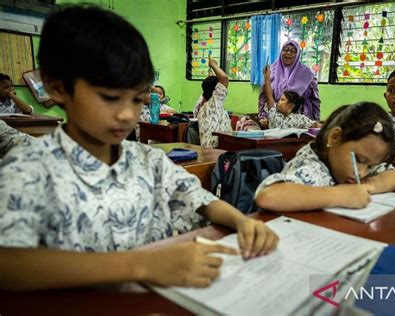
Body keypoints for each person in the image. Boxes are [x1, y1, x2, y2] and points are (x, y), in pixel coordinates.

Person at [0, 5, 278, 291]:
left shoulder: (147, 160)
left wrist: (242, 222)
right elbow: (8, 264)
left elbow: (200, 198)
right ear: (57, 87)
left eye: (137, 100)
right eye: (110, 98)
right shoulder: (29, 168)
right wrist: (141, 264)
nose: (126, 115)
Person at [255, 102, 395, 212]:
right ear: (335, 137)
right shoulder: (311, 167)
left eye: (370, 166)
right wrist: (341, 195)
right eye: (359, 160)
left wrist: (366, 186)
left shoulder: (359, 162)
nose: (362, 172)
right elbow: (267, 196)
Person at [258, 40, 321, 129]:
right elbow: (265, 97)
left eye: (292, 51)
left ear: (297, 54)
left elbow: (315, 100)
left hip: (302, 123)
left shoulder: (307, 74)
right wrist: (263, 117)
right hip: (275, 120)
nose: (288, 53)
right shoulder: (271, 71)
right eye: (285, 50)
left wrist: (316, 120)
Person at [263, 65, 320, 129]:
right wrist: (267, 77)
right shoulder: (274, 114)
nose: (278, 102)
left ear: (291, 105)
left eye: (282, 100)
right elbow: (269, 95)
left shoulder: (300, 119)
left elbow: (317, 125)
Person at [194, 57, 232, 148]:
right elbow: (224, 79)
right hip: (215, 150)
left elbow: (208, 85)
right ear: (216, 90)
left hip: (208, 148)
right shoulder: (214, 103)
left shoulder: (201, 105)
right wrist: (213, 64)